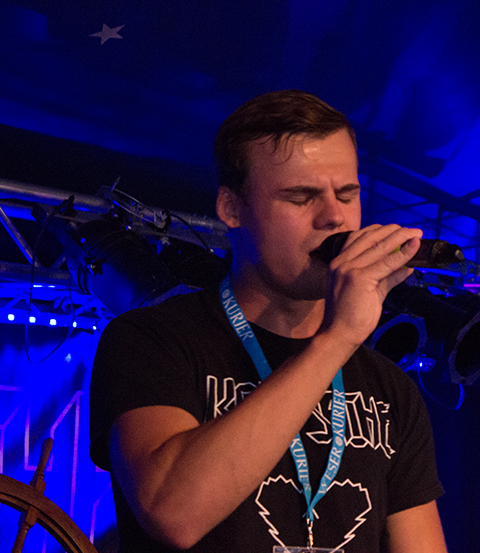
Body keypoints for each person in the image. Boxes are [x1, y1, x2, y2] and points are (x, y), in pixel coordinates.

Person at [89, 90, 448, 552]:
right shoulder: (151, 341)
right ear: (231, 208)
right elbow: (171, 512)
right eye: (301, 197)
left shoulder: (389, 388)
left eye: (347, 194)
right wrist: (337, 338)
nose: (335, 217)